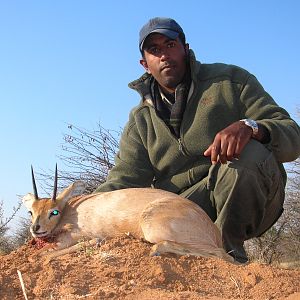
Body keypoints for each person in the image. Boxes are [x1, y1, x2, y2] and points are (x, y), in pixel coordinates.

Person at [95, 17, 300, 263]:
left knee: (247, 155)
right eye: (154, 50)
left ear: (186, 48)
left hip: (249, 195)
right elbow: (123, 181)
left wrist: (251, 127)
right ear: (145, 64)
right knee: (146, 215)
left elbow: (292, 136)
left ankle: (228, 258)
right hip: (182, 210)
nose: (164, 55)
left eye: (170, 45)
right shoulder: (140, 119)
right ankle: (191, 258)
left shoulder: (232, 81)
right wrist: (70, 211)